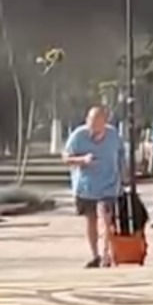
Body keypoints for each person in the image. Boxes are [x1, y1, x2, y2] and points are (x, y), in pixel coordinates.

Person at [62, 106, 124, 268]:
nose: (92, 125)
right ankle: (95, 254)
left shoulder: (113, 135)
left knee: (106, 219)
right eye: (90, 120)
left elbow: (121, 155)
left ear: (104, 122)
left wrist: (122, 177)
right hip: (86, 186)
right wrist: (82, 160)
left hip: (109, 185)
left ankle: (106, 254)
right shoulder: (78, 136)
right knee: (91, 220)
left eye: (96, 121)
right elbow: (66, 158)